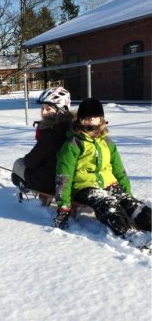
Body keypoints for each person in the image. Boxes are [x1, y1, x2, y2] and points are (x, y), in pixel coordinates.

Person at [54, 97, 151, 238]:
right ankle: (130, 233)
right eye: (86, 117)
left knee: (131, 203)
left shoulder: (107, 142)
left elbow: (119, 169)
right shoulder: (73, 144)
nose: (91, 120)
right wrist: (63, 207)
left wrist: (126, 192)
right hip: (84, 186)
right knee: (107, 204)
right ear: (80, 119)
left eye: (95, 117)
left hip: (108, 182)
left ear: (101, 120)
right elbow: (64, 175)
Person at [11, 87, 73, 199]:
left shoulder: (51, 133)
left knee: (18, 164)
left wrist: (26, 161)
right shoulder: (70, 128)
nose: (43, 112)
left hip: (47, 182)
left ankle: (25, 187)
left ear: (62, 109)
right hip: (66, 179)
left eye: (48, 109)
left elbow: (31, 161)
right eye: (42, 108)